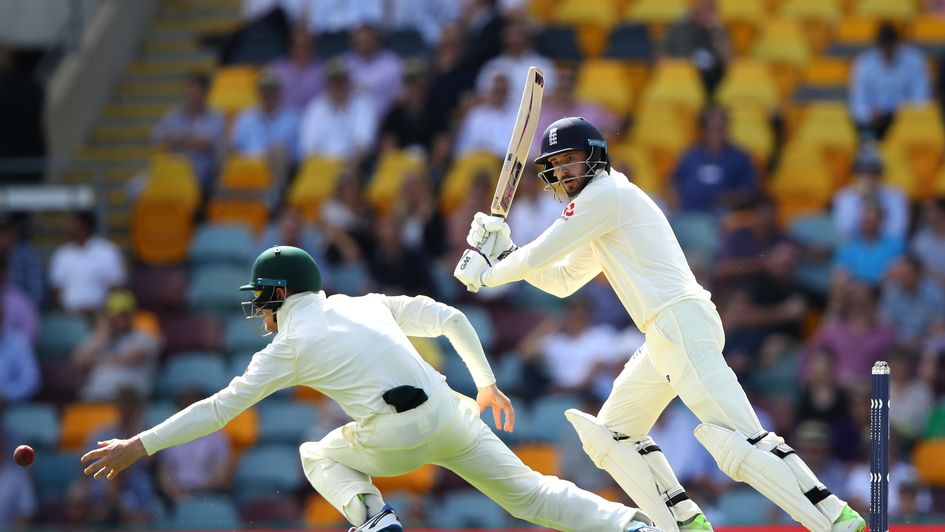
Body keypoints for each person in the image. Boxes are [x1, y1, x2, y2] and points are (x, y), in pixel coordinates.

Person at [453, 117, 866, 532]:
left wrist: (489, 272)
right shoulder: (604, 212)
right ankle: (685, 525)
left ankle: (837, 521)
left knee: (742, 440)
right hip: (666, 334)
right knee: (610, 436)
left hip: (679, 323)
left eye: (570, 161)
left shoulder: (605, 194)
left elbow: (539, 254)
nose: (562, 172)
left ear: (595, 158)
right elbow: (560, 280)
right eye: (556, 165)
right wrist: (506, 250)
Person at [79, 246, 659, 532]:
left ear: (279, 295)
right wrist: (486, 385)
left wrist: (142, 444)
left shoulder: (288, 345)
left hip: (395, 435)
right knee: (533, 496)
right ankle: (631, 526)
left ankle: (374, 521)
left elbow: (218, 409)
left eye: (262, 299)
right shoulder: (362, 303)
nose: (259, 311)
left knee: (314, 452)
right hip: (453, 414)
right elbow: (452, 319)